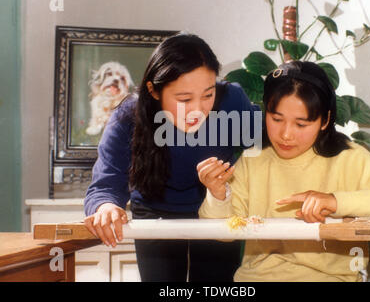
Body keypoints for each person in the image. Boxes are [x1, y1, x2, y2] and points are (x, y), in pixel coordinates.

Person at [197, 60, 370, 282]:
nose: (286, 134)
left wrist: (334, 202)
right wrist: (217, 194)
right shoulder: (255, 158)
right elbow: (220, 232)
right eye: (276, 119)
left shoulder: (349, 158)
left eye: (301, 124)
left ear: (325, 120)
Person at [83, 32, 262, 282]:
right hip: (155, 212)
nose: (198, 109)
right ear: (154, 91)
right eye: (184, 99)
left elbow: (275, 135)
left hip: (217, 209)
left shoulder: (231, 100)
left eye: (208, 95)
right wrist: (106, 206)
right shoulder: (128, 116)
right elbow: (106, 182)